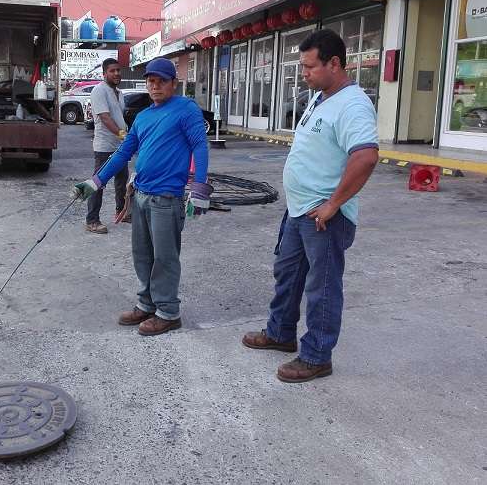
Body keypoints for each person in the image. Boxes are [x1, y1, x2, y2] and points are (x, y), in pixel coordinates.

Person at [242, 29, 379, 383]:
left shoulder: (352, 104)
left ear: (335, 63)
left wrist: (334, 204)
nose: (304, 73)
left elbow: (365, 157)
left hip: (324, 216)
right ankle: (280, 332)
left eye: (309, 66)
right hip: (300, 209)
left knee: (323, 287)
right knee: (287, 273)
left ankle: (317, 356)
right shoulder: (321, 98)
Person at [74, 57, 212, 336]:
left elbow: (200, 145)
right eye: (151, 81)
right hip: (142, 196)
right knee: (142, 254)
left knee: (165, 257)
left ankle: (169, 311)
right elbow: (124, 152)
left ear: (174, 83)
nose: (155, 86)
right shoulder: (144, 116)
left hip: (167, 197)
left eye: (162, 81)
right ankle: (147, 303)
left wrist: (199, 188)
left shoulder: (186, 109)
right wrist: (96, 181)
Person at [85, 58, 128, 234]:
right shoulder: (99, 90)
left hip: (120, 146)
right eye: (112, 71)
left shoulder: (119, 93)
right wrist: (122, 134)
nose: (117, 73)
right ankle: (92, 220)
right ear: (104, 73)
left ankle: (121, 212)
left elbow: (119, 117)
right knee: (98, 183)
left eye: (118, 70)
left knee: (122, 181)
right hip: (104, 146)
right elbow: (105, 117)